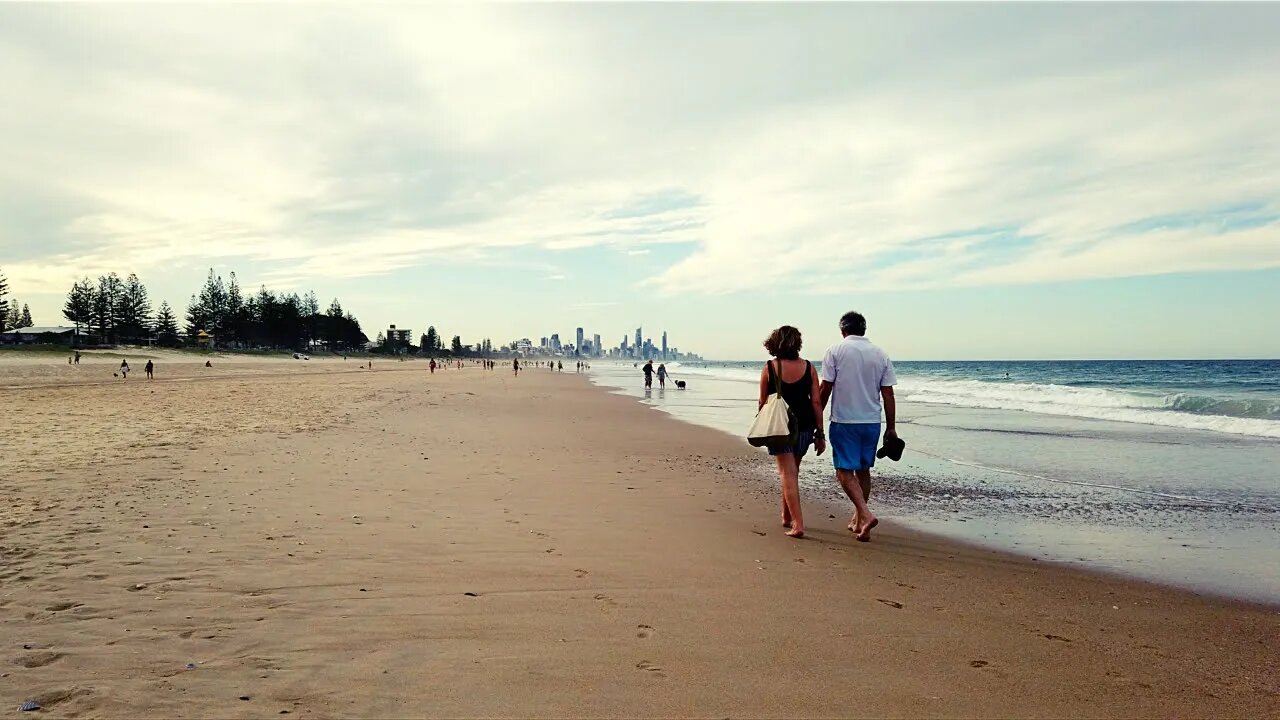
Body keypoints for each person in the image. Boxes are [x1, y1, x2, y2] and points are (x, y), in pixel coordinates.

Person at [819, 311, 896, 542]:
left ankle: (865, 514)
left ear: (843, 330)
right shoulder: (880, 354)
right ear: (864, 329)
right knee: (863, 470)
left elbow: (826, 388)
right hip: (872, 421)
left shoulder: (835, 351)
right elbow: (888, 393)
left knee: (843, 471)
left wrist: (816, 419)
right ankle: (858, 519)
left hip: (845, 421)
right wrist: (891, 427)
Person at [759, 326, 824, 539]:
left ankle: (797, 524)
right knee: (792, 471)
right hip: (805, 425)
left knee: (787, 473)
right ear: (797, 343)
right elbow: (816, 401)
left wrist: (761, 425)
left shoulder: (770, 367)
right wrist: (820, 433)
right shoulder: (809, 368)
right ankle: (786, 516)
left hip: (780, 427)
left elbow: (762, 402)